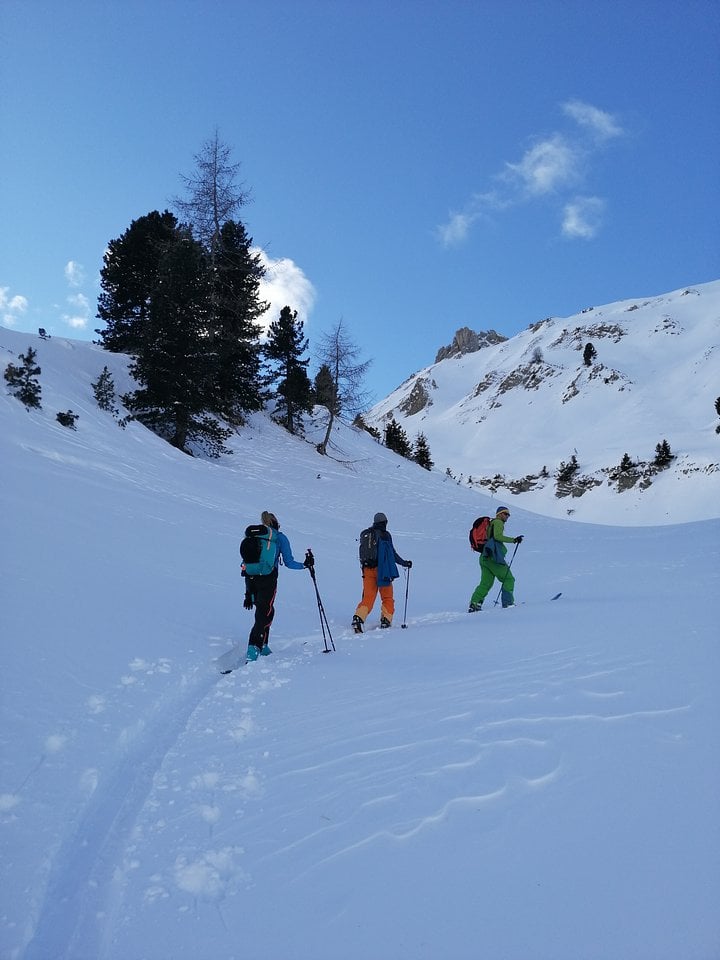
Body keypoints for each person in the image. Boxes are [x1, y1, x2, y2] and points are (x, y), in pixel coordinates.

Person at [243, 511, 311, 661]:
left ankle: (263, 645)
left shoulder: (253, 536)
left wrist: (247, 594)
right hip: (268, 579)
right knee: (264, 612)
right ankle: (253, 649)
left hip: (251, 578)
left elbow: (247, 562)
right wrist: (305, 565)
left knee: (267, 611)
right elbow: (289, 562)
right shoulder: (279, 538)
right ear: (276, 523)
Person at [352, 512, 412, 632]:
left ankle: (358, 618)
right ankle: (386, 619)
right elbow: (392, 554)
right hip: (382, 571)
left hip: (367, 570)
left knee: (368, 597)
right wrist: (404, 563)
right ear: (384, 522)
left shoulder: (367, 534)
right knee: (387, 597)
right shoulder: (385, 535)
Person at [468, 506, 523, 611]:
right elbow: (497, 536)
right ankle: (508, 603)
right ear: (499, 514)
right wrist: (514, 540)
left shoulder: (491, 523)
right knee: (508, 579)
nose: (508, 516)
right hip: (494, 557)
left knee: (486, 583)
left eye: (508, 514)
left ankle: (475, 603)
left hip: (485, 557)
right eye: (505, 514)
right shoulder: (498, 522)